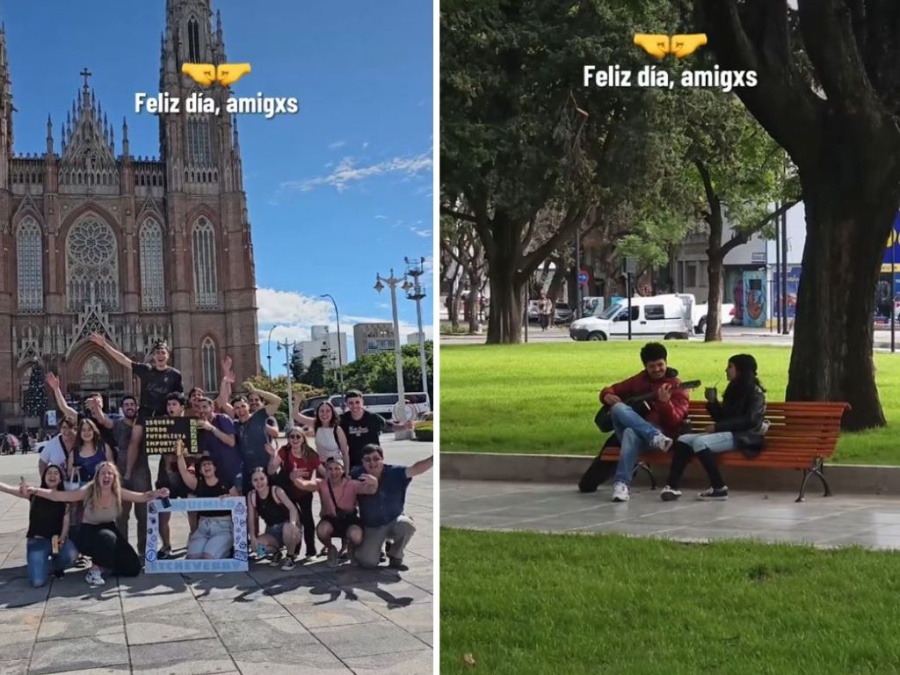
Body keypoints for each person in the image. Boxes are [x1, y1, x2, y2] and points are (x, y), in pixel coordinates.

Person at [23, 462, 169, 586]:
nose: (106, 476)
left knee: (133, 567)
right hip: (87, 532)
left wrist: (157, 493)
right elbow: (60, 496)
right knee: (108, 537)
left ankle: (106, 565)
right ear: (97, 477)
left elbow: (142, 497)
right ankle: (94, 571)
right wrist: (36, 490)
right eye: (103, 473)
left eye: (110, 474)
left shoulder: (118, 491)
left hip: (108, 529)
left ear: (114, 477)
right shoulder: (88, 490)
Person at [661, 354, 768, 502]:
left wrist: (717, 427)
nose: (726, 370)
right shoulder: (734, 389)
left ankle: (719, 488)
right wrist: (712, 402)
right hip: (728, 433)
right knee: (684, 440)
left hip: (745, 437)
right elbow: (724, 417)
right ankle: (672, 486)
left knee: (700, 443)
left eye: (730, 366)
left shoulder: (755, 393)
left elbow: (749, 420)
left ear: (741, 369)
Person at [599, 342, 690, 503]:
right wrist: (606, 395)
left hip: (664, 435)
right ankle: (654, 435)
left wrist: (665, 403)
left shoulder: (677, 386)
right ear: (645, 367)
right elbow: (611, 389)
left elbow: (675, 422)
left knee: (629, 432)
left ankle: (621, 484)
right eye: (652, 366)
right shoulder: (639, 380)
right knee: (617, 408)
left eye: (660, 364)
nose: (656, 369)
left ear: (666, 363)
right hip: (653, 437)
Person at [89, 334, 183, 487]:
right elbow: (124, 360)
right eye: (157, 353)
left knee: (168, 447)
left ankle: (168, 470)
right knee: (135, 438)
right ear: (153, 356)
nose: (160, 356)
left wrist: (178, 415)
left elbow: (179, 398)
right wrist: (105, 346)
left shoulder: (175, 375)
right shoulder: (146, 370)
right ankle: (128, 473)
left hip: (163, 413)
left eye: (163, 353)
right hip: (146, 411)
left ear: (168, 355)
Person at [352, 444, 433, 570]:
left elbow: (416, 469)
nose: (372, 463)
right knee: (368, 562)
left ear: (382, 459)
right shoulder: (356, 475)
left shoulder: (395, 472)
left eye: (376, 458)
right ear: (362, 462)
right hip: (372, 526)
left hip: (393, 519)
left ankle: (396, 555)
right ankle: (367, 548)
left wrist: (434, 459)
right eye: (367, 460)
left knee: (407, 525)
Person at [0, 466, 78, 586]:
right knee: (38, 582)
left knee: (71, 553)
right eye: (49, 473)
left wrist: (62, 539)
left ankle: (56, 566)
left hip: (56, 540)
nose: (52, 476)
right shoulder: (34, 493)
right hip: (37, 541)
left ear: (60, 479)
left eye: (56, 473)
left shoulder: (64, 497)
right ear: (44, 477)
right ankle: (39, 565)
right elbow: (9, 489)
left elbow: (66, 522)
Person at [308, 457, 377, 567]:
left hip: (349, 518)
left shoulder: (352, 484)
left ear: (343, 470)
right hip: (330, 519)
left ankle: (350, 548)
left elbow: (370, 490)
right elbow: (306, 485)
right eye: (330, 469)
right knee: (321, 530)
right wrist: (296, 479)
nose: (334, 472)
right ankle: (331, 549)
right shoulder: (322, 483)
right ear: (326, 471)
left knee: (356, 535)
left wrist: (374, 483)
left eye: (337, 468)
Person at [174, 441, 238, 560]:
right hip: (203, 527)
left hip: (222, 528)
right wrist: (179, 455)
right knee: (192, 558)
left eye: (209, 464)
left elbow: (239, 502)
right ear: (200, 470)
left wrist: (231, 499)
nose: (207, 466)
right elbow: (183, 472)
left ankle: (227, 550)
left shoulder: (225, 483)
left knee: (208, 557)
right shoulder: (198, 484)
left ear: (215, 467)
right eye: (203, 465)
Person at [268, 428, 320, 558]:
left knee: (308, 520)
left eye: (298, 436)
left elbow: (322, 470)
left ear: (303, 438)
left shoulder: (311, 454)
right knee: (295, 520)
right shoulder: (284, 451)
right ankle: (294, 551)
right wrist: (272, 458)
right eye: (292, 436)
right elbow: (270, 470)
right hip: (288, 491)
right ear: (288, 439)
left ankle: (311, 551)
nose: (295, 439)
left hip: (304, 491)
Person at [247, 467, 302, 570]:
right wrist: (253, 538)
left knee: (288, 529)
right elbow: (251, 519)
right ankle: (276, 553)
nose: (259, 482)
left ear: (267, 479)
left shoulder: (276, 491)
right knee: (258, 549)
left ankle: (290, 557)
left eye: (262, 478)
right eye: (255, 480)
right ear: (251, 482)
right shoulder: (252, 496)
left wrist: (293, 524)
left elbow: (292, 508)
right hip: (272, 531)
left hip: (288, 526)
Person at [337, 390, 385, 471]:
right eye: (351, 403)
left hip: (373, 462)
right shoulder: (342, 420)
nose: (354, 405)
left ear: (362, 402)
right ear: (346, 404)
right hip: (354, 463)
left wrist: (405, 426)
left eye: (357, 402)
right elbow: (323, 424)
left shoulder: (373, 418)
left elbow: (392, 426)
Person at [295, 402, 350, 470]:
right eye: (322, 411)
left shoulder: (337, 430)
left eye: (328, 411)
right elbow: (296, 416)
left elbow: (345, 453)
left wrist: (347, 472)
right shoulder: (316, 425)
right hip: (320, 465)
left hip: (335, 466)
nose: (324, 414)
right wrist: (297, 401)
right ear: (317, 413)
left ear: (332, 413)